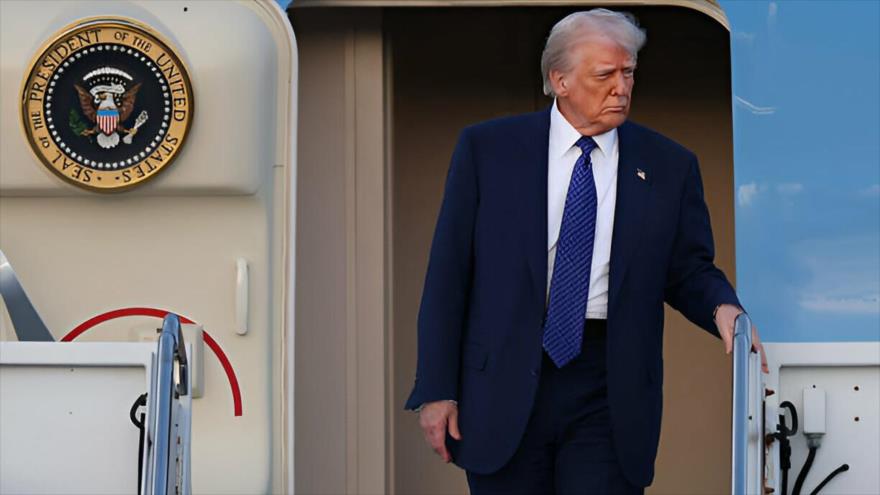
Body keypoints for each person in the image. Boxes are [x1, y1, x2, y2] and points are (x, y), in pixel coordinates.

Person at [404, 8, 768, 494]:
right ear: (560, 80)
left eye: (629, 73)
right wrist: (436, 389)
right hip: (506, 379)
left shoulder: (668, 164)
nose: (621, 87)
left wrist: (722, 306)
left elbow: (687, 268)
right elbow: (449, 276)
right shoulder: (487, 150)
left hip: (608, 384)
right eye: (605, 75)